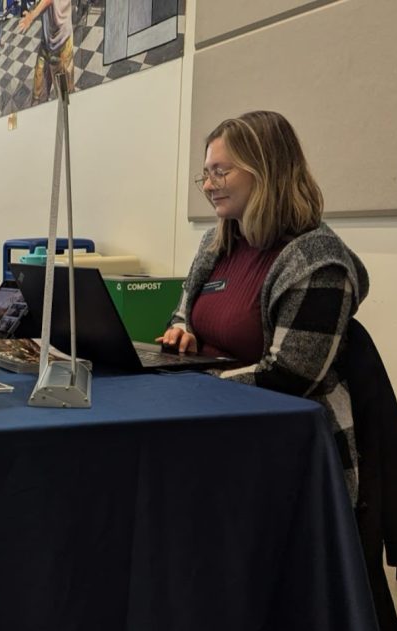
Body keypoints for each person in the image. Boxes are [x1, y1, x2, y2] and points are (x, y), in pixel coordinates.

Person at [157, 110, 368, 503]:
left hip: (281, 439)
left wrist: (198, 387)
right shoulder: (217, 243)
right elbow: (184, 310)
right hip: (213, 419)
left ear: (266, 170)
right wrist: (182, 328)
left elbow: (290, 377)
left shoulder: (317, 261)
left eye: (220, 172)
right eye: (205, 173)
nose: (207, 185)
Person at [19, 0, 74, 104]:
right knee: (38, 97)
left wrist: (32, 16)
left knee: (65, 101)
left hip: (61, 44)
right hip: (46, 42)